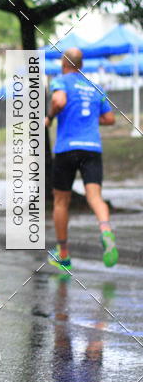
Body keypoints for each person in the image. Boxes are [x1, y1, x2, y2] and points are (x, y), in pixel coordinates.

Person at [46, 47, 117, 271]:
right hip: (92, 148)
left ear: (63, 64)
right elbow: (109, 118)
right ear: (81, 65)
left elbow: (58, 101)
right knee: (95, 197)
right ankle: (106, 230)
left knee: (60, 201)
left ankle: (64, 254)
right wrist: (88, 122)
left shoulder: (61, 81)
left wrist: (49, 117)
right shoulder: (95, 87)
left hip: (67, 148)